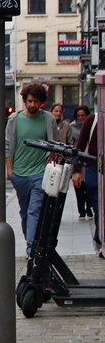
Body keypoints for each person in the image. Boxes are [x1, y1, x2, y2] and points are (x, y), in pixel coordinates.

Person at [4, 83, 58, 258]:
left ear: (42, 102)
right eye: (30, 101)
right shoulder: (14, 119)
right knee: (25, 211)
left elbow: (55, 146)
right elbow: (7, 146)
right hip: (19, 174)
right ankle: (31, 242)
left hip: (40, 172)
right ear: (25, 101)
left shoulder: (48, 119)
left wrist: (51, 167)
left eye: (36, 101)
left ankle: (31, 248)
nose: (33, 104)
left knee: (34, 210)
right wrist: (10, 171)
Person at [71, 106, 102, 257]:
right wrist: (76, 171)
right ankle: (101, 239)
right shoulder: (92, 119)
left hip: (94, 171)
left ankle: (99, 237)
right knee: (98, 208)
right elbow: (80, 147)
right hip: (93, 171)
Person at [69, 105, 93, 220]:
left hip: (89, 157)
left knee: (88, 185)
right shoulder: (72, 127)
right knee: (78, 186)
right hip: (77, 158)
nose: (80, 118)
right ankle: (81, 211)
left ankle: (89, 208)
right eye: (78, 116)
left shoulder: (91, 125)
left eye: (82, 115)